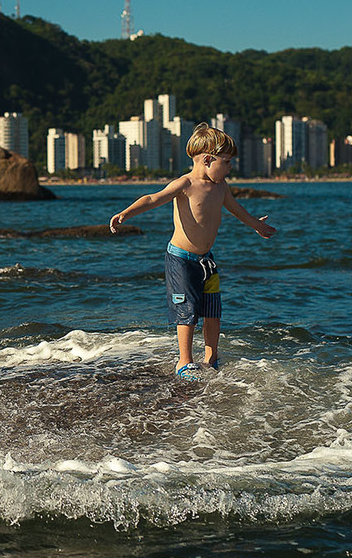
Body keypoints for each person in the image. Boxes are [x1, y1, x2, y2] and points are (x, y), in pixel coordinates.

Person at [108, 123, 276, 382]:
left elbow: (237, 210)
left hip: (206, 261)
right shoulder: (185, 183)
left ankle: (211, 358)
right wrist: (126, 214)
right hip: (181, 260)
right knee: (186, 312)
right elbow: (153, 198)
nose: (231, 167)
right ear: (208, 160)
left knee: (212, 310)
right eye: (227, 162)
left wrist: (257, 225)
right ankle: (184, 361)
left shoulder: (221, 187)